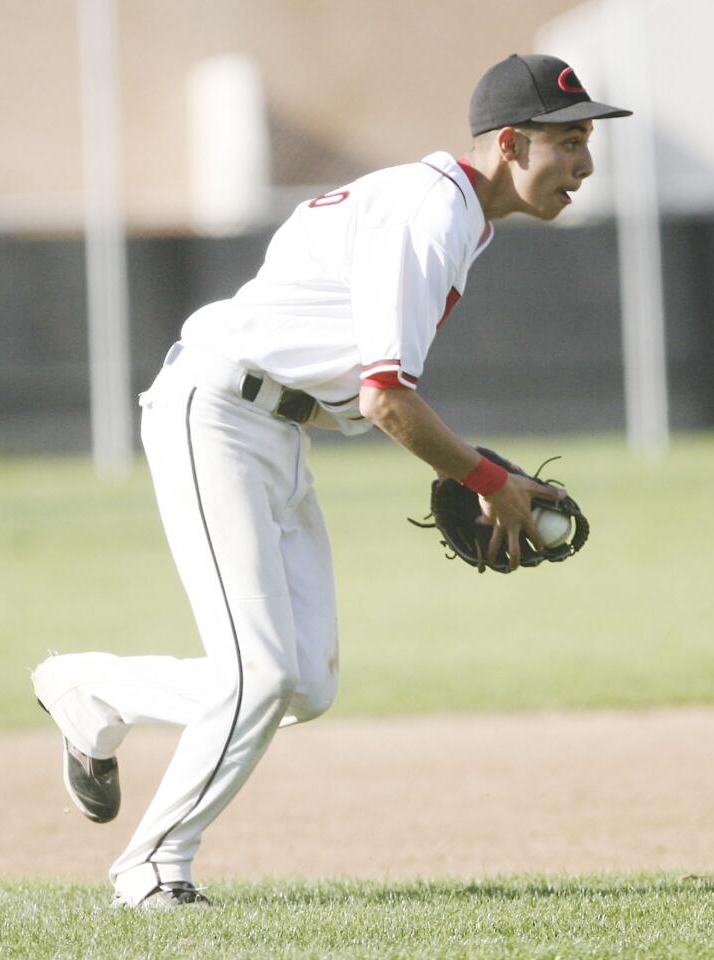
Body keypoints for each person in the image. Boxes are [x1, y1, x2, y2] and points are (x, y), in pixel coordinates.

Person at [32, 53, 631, 909]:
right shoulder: (429, 215)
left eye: (586, 144)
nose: (585, 165)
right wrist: (486, 477)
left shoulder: (450, 213)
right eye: (569, 143)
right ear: (510, 142)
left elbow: (367, 385)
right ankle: (152, 871)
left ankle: (88, 690)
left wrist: (474, 470)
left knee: (302, 679)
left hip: (275, 427)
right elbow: (387, 399)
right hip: (219, 415)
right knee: (261, 675)